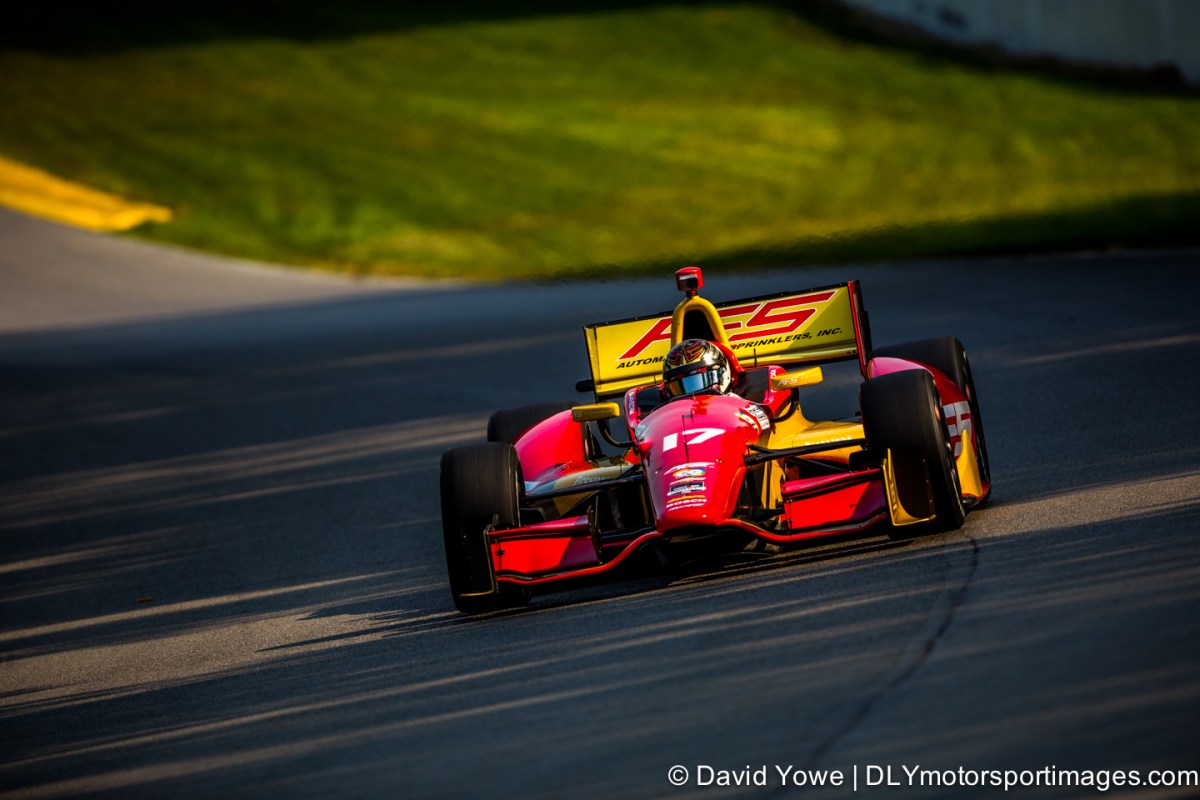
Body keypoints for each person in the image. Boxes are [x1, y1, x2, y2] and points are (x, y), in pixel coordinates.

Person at [661, 339, 734, 398]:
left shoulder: (743, 395)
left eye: (698, 382)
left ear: (722, 373)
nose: (693, 397)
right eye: (679, 388)